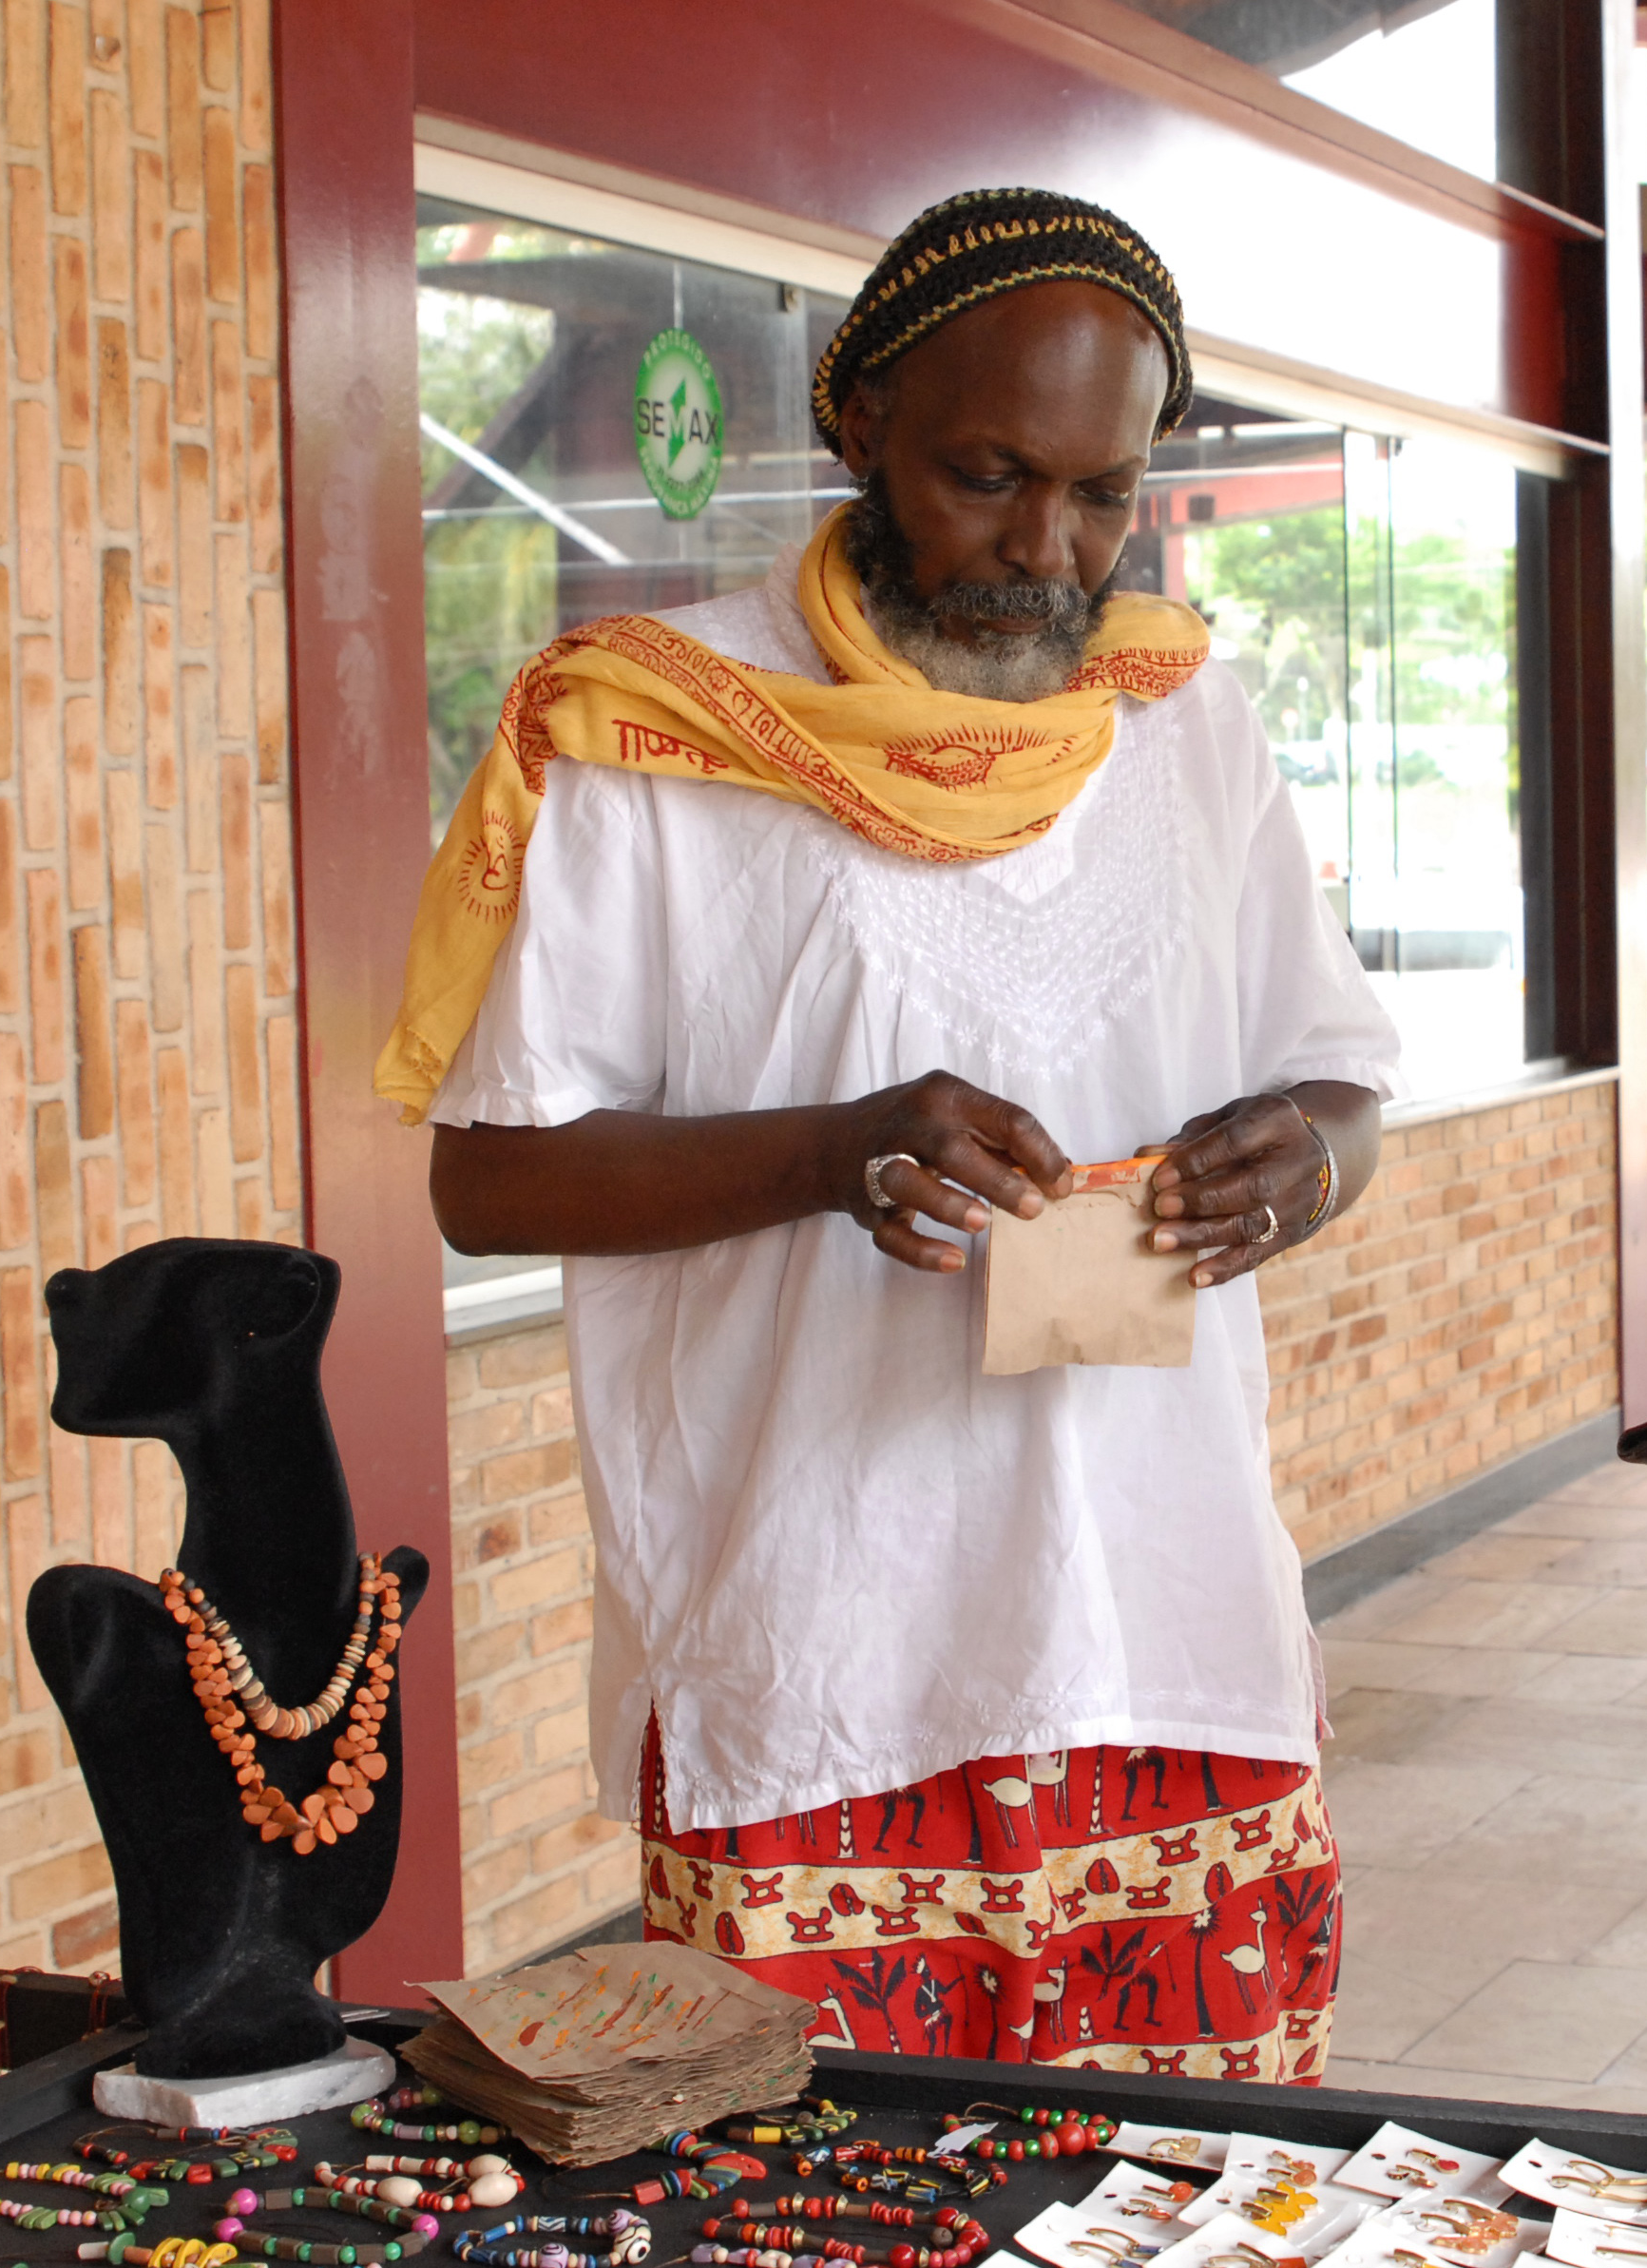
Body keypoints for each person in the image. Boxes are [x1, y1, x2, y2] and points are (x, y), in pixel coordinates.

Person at [380, 188, 1400, 2078]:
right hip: (819, 1660)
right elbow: (489, 1175)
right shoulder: (654, 732)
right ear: (860, 425)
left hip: (1163, 1634)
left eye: (1104, 495)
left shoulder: (1181, 721)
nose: (1047, 550)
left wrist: (1307, 1159)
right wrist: (830, 1152)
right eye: (988, 476)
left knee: (1182, 2207)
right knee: (833, 2210)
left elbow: (1340, 1079)